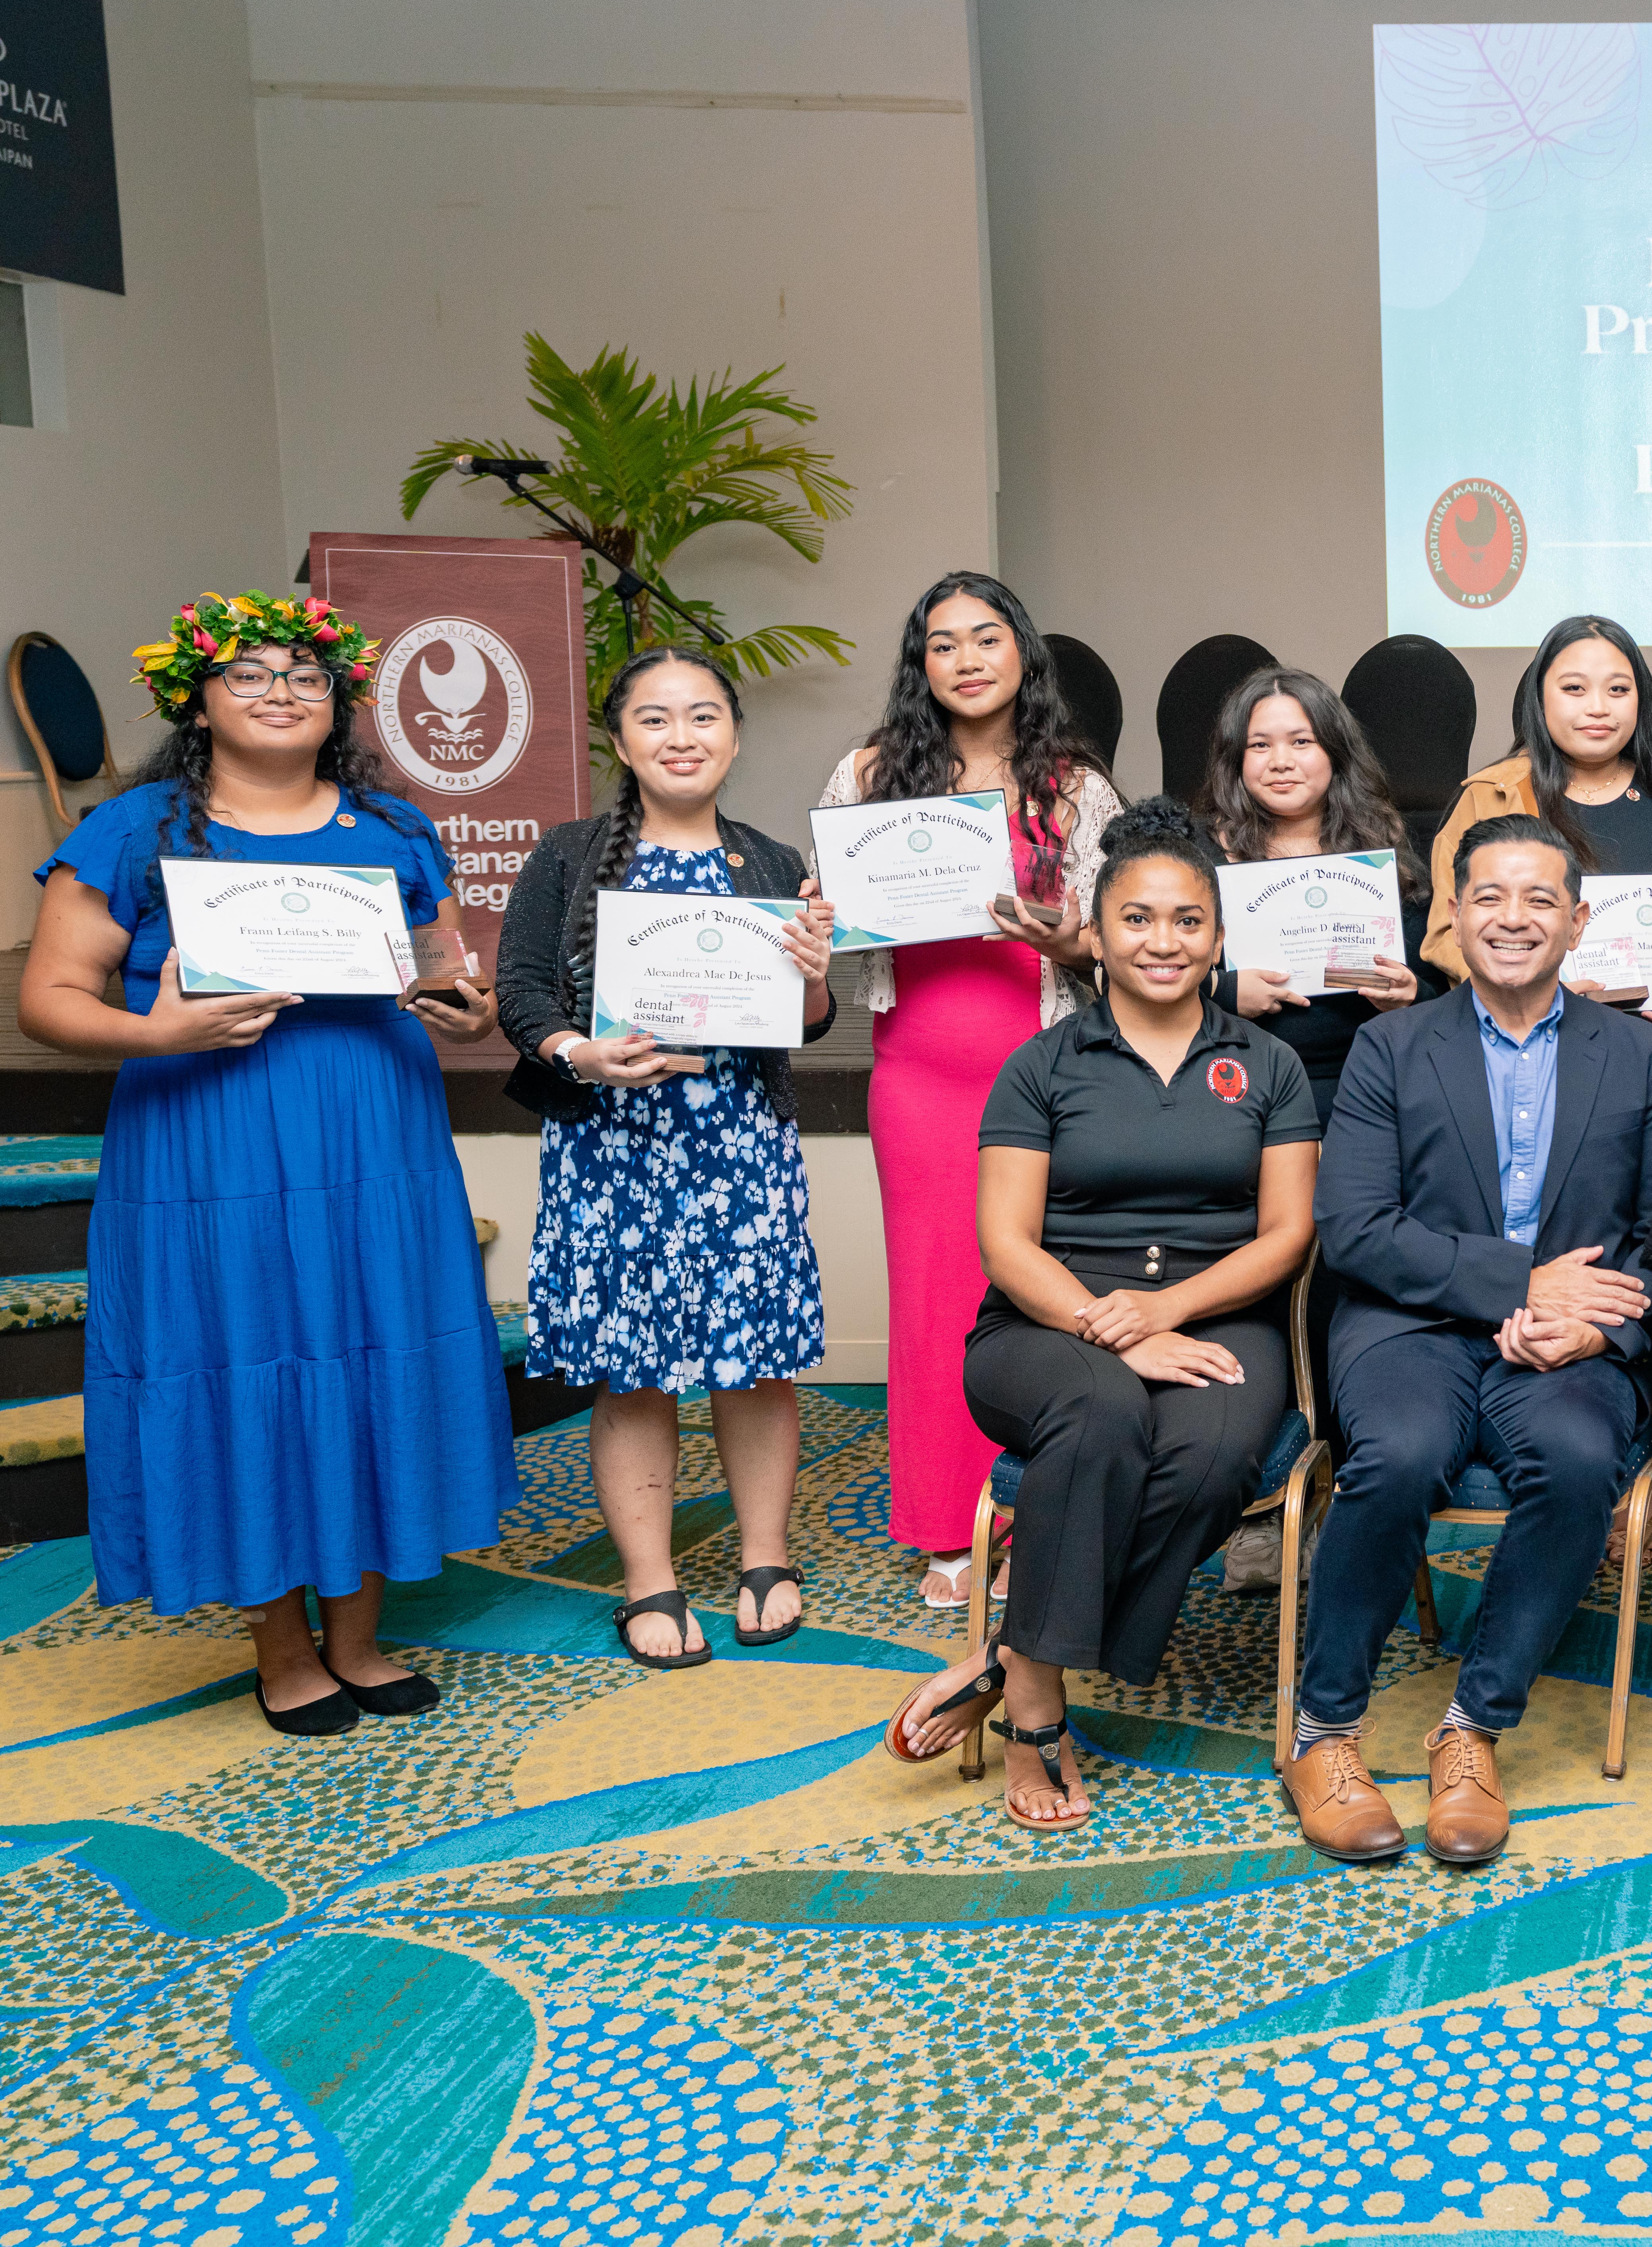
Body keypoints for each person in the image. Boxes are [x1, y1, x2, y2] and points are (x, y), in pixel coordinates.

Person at [18, 592, 509, 1732]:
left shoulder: (393, 826)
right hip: (209, 1126)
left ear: (336, 699)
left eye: (305, 675)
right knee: (236, 1354)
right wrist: (155, 1033)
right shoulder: (135, 829)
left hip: (372, 1131)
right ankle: (279, 1641)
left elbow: (450, 985)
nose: (282, 692)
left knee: (372, 1345)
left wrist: (464, 1010)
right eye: (251, 675)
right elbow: (47, 999)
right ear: (195, 698)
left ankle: (358, 1631)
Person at [882, 799, 1320, 1828]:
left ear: (1219, 934)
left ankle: (1009, 1650)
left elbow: (1286, 1235)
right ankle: (1038, 1710)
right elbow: (1006, 1243)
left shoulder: (1270, 1065)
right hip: (1043, 1323)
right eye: (1135, 918)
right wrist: (1108, 1323)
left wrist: (1164, 1311)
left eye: (1185, 920)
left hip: (1219, 1308)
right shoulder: (1042, 1064)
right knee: (1104, 1412)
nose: (1161, 941)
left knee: (1217, 1456)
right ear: (1096, 932)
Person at [1281, 814, 1652, 1868]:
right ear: (1450, 914)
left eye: (1540, 898)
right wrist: (1521, 1280)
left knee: (1579, 1457)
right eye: (1491, 897)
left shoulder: (1640, 1056)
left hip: (1572, 1340)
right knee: (1401, 1451)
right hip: (1409, 1324)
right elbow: (1356, 1227)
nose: (1513, 918)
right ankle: (1321, 1733)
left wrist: (1588, 1319)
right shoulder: (1388, 1044)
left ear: (1578, 921)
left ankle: (1471, 1727)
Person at [498, 648, 836, 1669]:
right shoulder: (566, 857)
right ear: (621, 742)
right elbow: (521, 997)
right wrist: (579, 1053)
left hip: (740, 1147)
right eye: (655, 719)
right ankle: (650, 1580)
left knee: (757, 1363)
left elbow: (805, 1026)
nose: (680, 738)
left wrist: (816, 978)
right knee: (634, 1377)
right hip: (614, 1156)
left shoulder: (773, 865)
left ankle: (765, 1560)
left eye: (702, 717)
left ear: (734, 735)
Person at [817, 572, 1121, 1610]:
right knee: (936, 1295)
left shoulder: (1075, 783)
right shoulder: (867, 774)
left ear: (1022, 652)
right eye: (941, 643)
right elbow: (841, 939)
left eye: (986, 637)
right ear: (921, 666)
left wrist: (1070, 937)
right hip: (918, 1069)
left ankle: (1038, 1501)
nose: (966, 658)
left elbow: (1121, 940)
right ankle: (945, 1526)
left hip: (1044, 1068)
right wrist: (828, 916)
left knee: (1041, 1287)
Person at [1425, 613, 1652, 1053]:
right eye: (1574, 689)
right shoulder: (1489, 798)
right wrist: (1531, 1001)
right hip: (1533, 1057)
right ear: (1540, 697)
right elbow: (1445, 937)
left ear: (1642, 700)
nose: (1598, 707)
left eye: (1618, 689)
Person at [1196, 669, 1431, 1114]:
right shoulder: (1197, 853)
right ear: (1236, 759)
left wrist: (1410, 994)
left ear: (1336, 753)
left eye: (1302, 742)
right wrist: (1220, 993)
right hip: (1232, 1086)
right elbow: (1137, 974)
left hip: (1366, 1085)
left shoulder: (1384, 850)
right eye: (1260, 745)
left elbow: (1439, 992)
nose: (1281, 761)